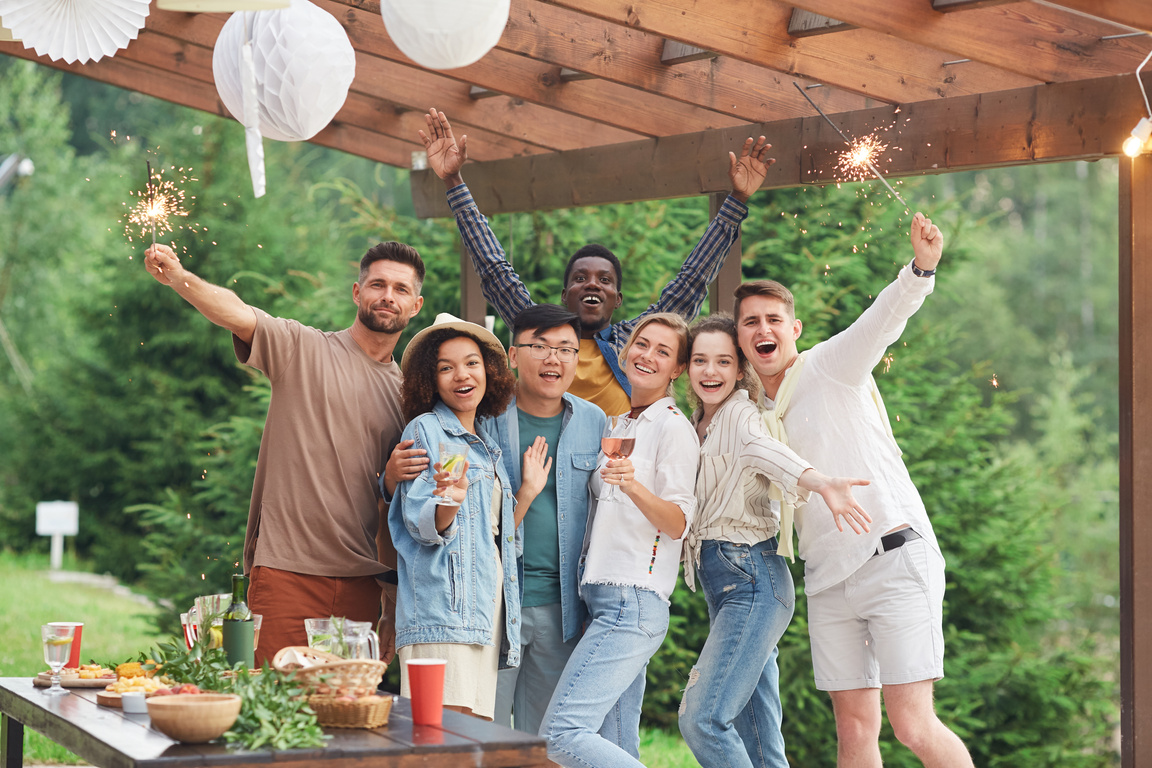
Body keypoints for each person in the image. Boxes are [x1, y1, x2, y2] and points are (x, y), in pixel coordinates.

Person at [734, 213, 974, 767]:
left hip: (892, 557)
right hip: (827, 580)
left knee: (913, 724)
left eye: (774, 318)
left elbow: (882, 320)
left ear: (793, 329)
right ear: (742, 338)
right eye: (750, 322)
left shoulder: (829, 366)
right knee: (854, 733)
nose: (762, 329)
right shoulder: (753, 415)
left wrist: (920, 268)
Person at [143, 241, 425, 666]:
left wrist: (391, 599)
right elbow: (236, 312)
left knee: (343, 718)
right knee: (275, 711)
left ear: (416, 305)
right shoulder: (303, 348)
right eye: (378, 284)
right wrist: (179, 276)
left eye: (401, 289)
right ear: (356, 292)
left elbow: (396, 508)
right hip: (287, 571)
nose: (388, 296)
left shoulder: (407, 398)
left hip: (362, 585)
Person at [418, 107, 774, 416]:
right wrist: (453, 181)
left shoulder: (634, 343)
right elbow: (495, 271)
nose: (592, 284)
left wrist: (737, 200)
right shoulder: (540, 337)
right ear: (564, 295)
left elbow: (691, 281)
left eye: (605, 281)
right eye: (580, 279)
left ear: (618, 299)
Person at [678, 314, 871, 768]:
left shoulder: (740, 414)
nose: (711, 372)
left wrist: (821, 482)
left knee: (701, 719)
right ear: (686, 368)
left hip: (752, 580)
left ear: (740, 369)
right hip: (726, 585)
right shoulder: (695, 422)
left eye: (724, 362)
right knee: (760, 739)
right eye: (700, 360)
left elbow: (768, 452)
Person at [539, 313, 698, 768]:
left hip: (632, 602)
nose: (647, 355)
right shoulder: (618, 424)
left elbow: (679, 523)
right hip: (603, 600)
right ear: (626, 350)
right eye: (642, 344)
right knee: (618, 746)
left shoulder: (672, 428)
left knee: (559, 736)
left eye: (663, 352)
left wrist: (632, 486)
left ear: (678, 369)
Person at [388, 313, 520, 720]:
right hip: (441, 614)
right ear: (431, 379)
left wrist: (526, 491)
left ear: (489, 372)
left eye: (471, 363)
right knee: (438, 742)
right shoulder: (426, 430)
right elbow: (422, 525)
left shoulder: (486, 440)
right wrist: (450, 500)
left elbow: (492, 534)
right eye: (446, 367)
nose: (461, 375)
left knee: (472, 737)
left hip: (484, 612)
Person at [482, 304, 607, 734]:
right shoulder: (484, 418)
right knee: (486, 738)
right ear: (514, 356)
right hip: (496, 606)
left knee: (546, 743)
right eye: (540, 346)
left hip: (562, 611)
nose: (554, 359)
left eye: (566, 349)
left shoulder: (593, 421)